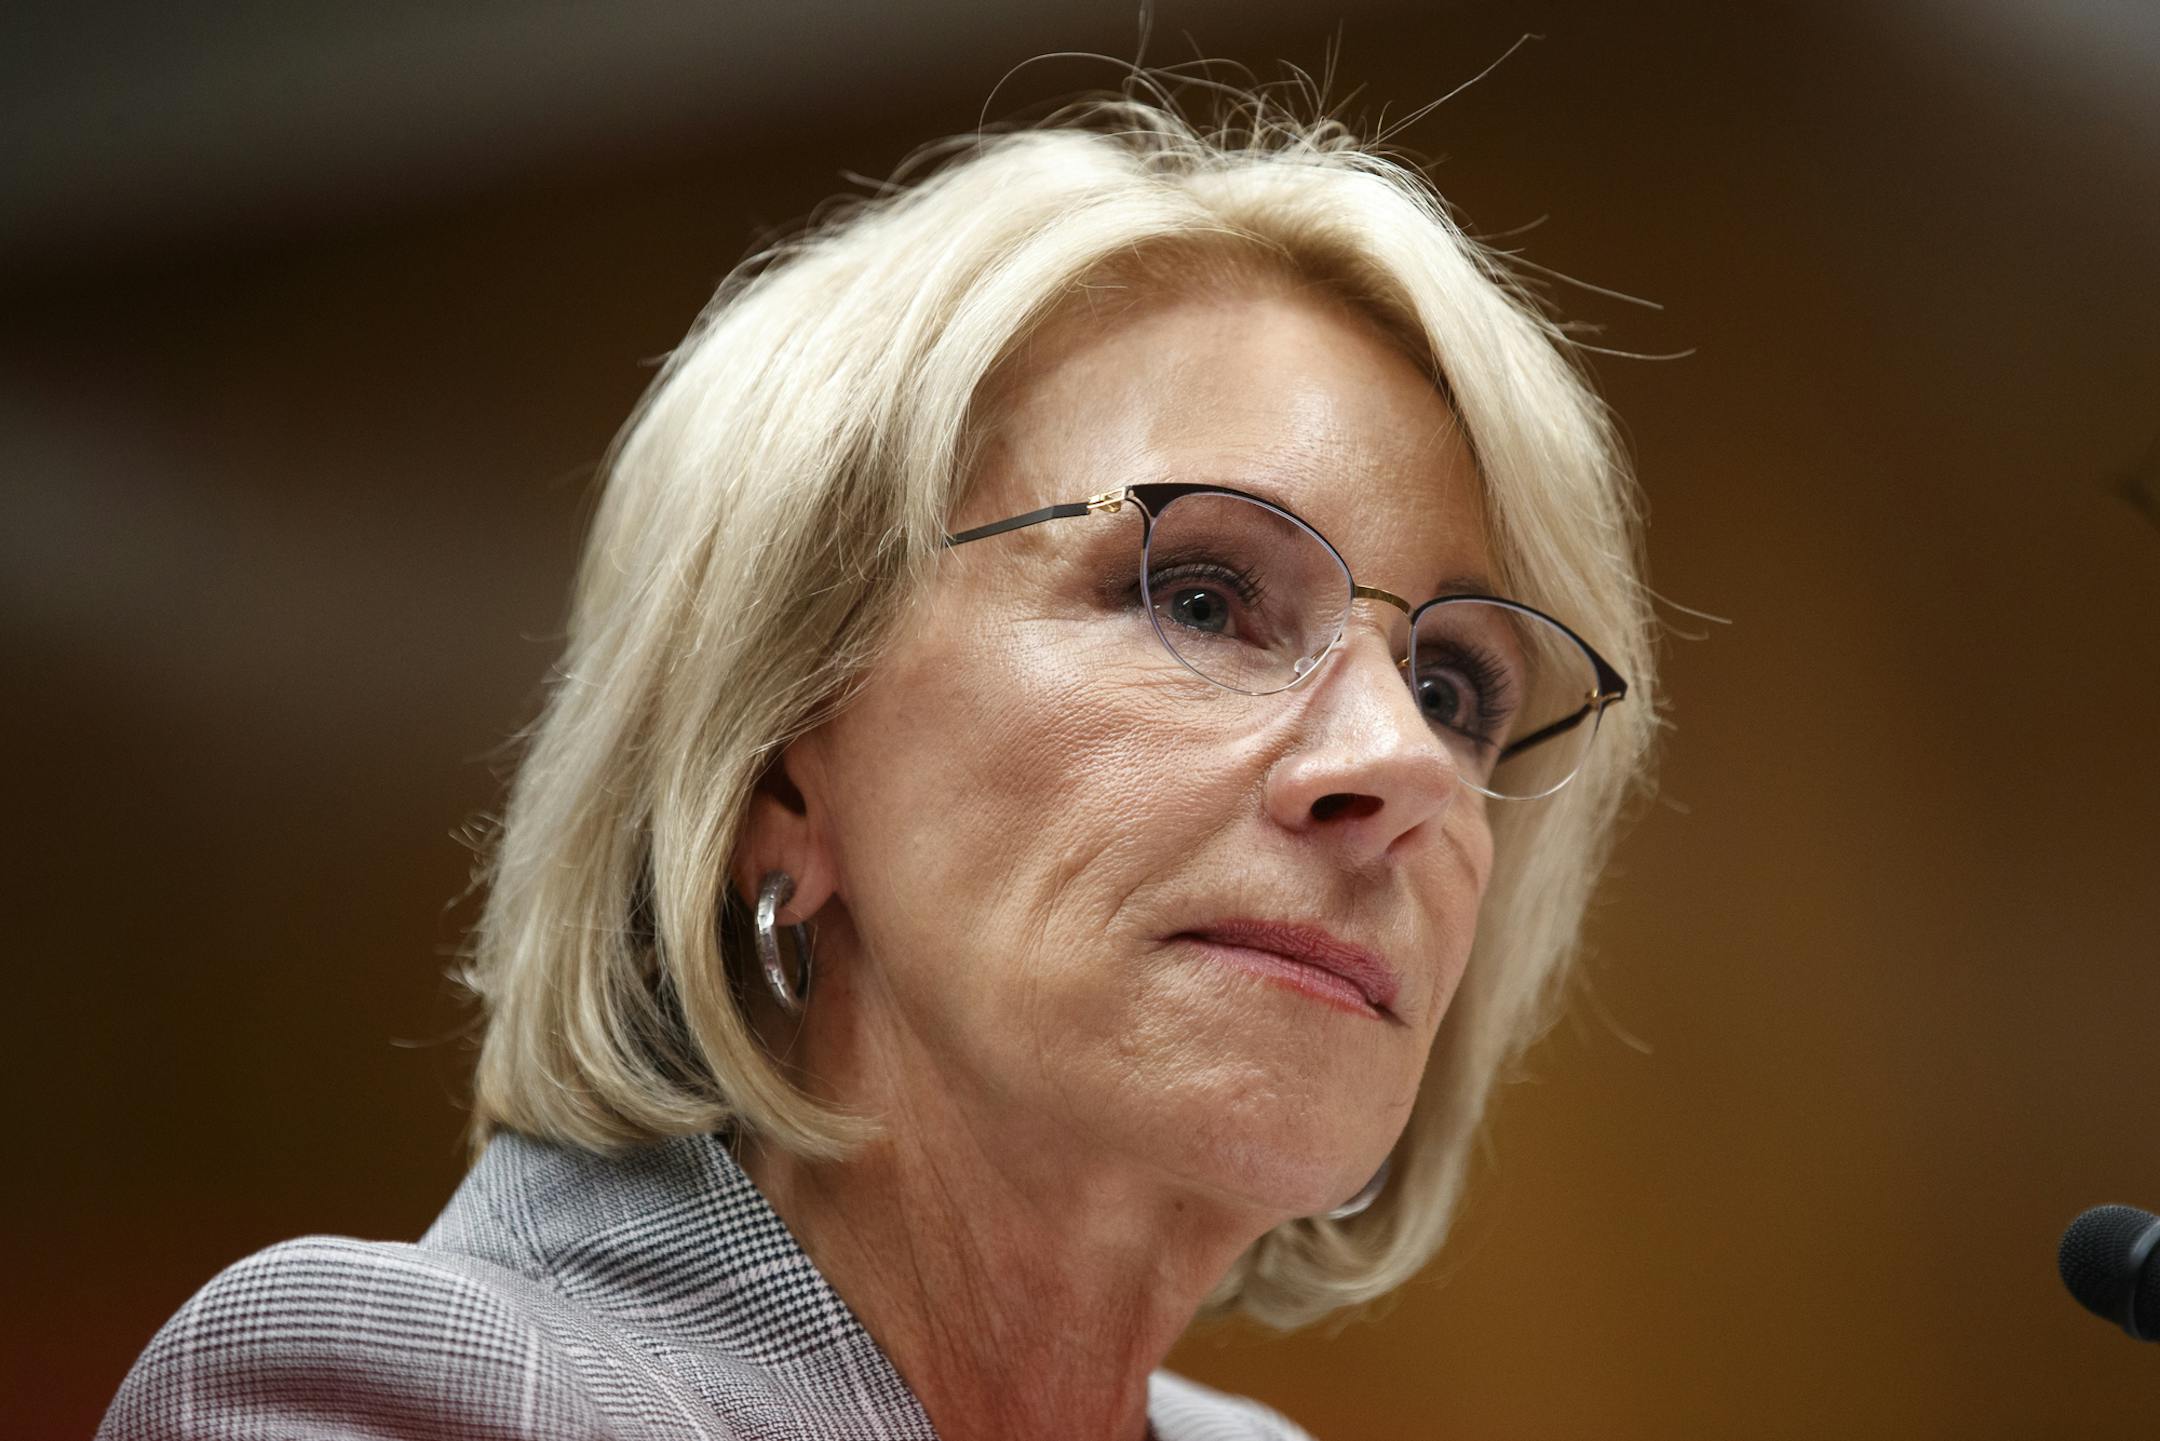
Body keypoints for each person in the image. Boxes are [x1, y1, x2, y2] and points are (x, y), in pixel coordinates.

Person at [100, 90, 1657, 1441]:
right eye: (1201, 597)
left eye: (1455, 685)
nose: (1401, 759)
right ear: (780, 766)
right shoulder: (394, 1395)